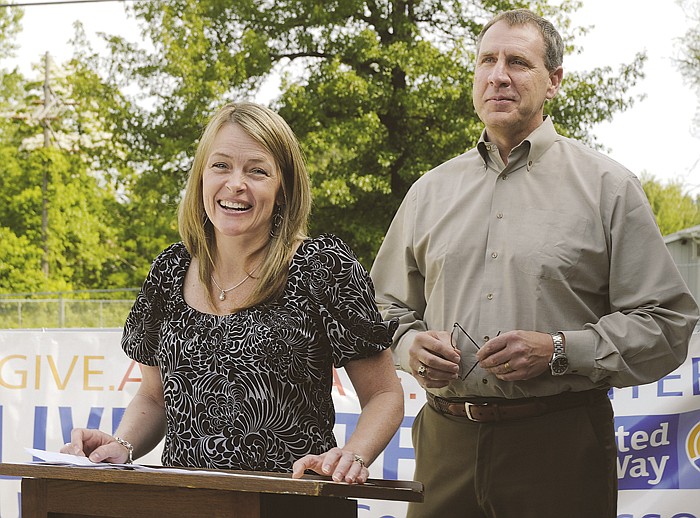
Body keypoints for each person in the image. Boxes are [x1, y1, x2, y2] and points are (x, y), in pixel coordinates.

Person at [370, 8, 699, 517]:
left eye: (518, 62)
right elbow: (380, 305)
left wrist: (561, 351)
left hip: (559, 447)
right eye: (487, 60)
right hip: (444, 445)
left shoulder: (608, 188)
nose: (498, 75)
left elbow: (668, 323)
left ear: (554, 82)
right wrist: (410, 343)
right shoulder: (428, 192)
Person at [61, 101, 404, 485]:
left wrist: (351, 456)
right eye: (220, 165)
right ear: (201, 177)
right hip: (183, 505)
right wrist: (122, 444)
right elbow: (155, 397)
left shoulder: (322, 267)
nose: (235, 183)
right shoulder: (169, 270)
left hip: (291, 505)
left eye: (257, 170)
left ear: (283, 189)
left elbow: (385, 395)